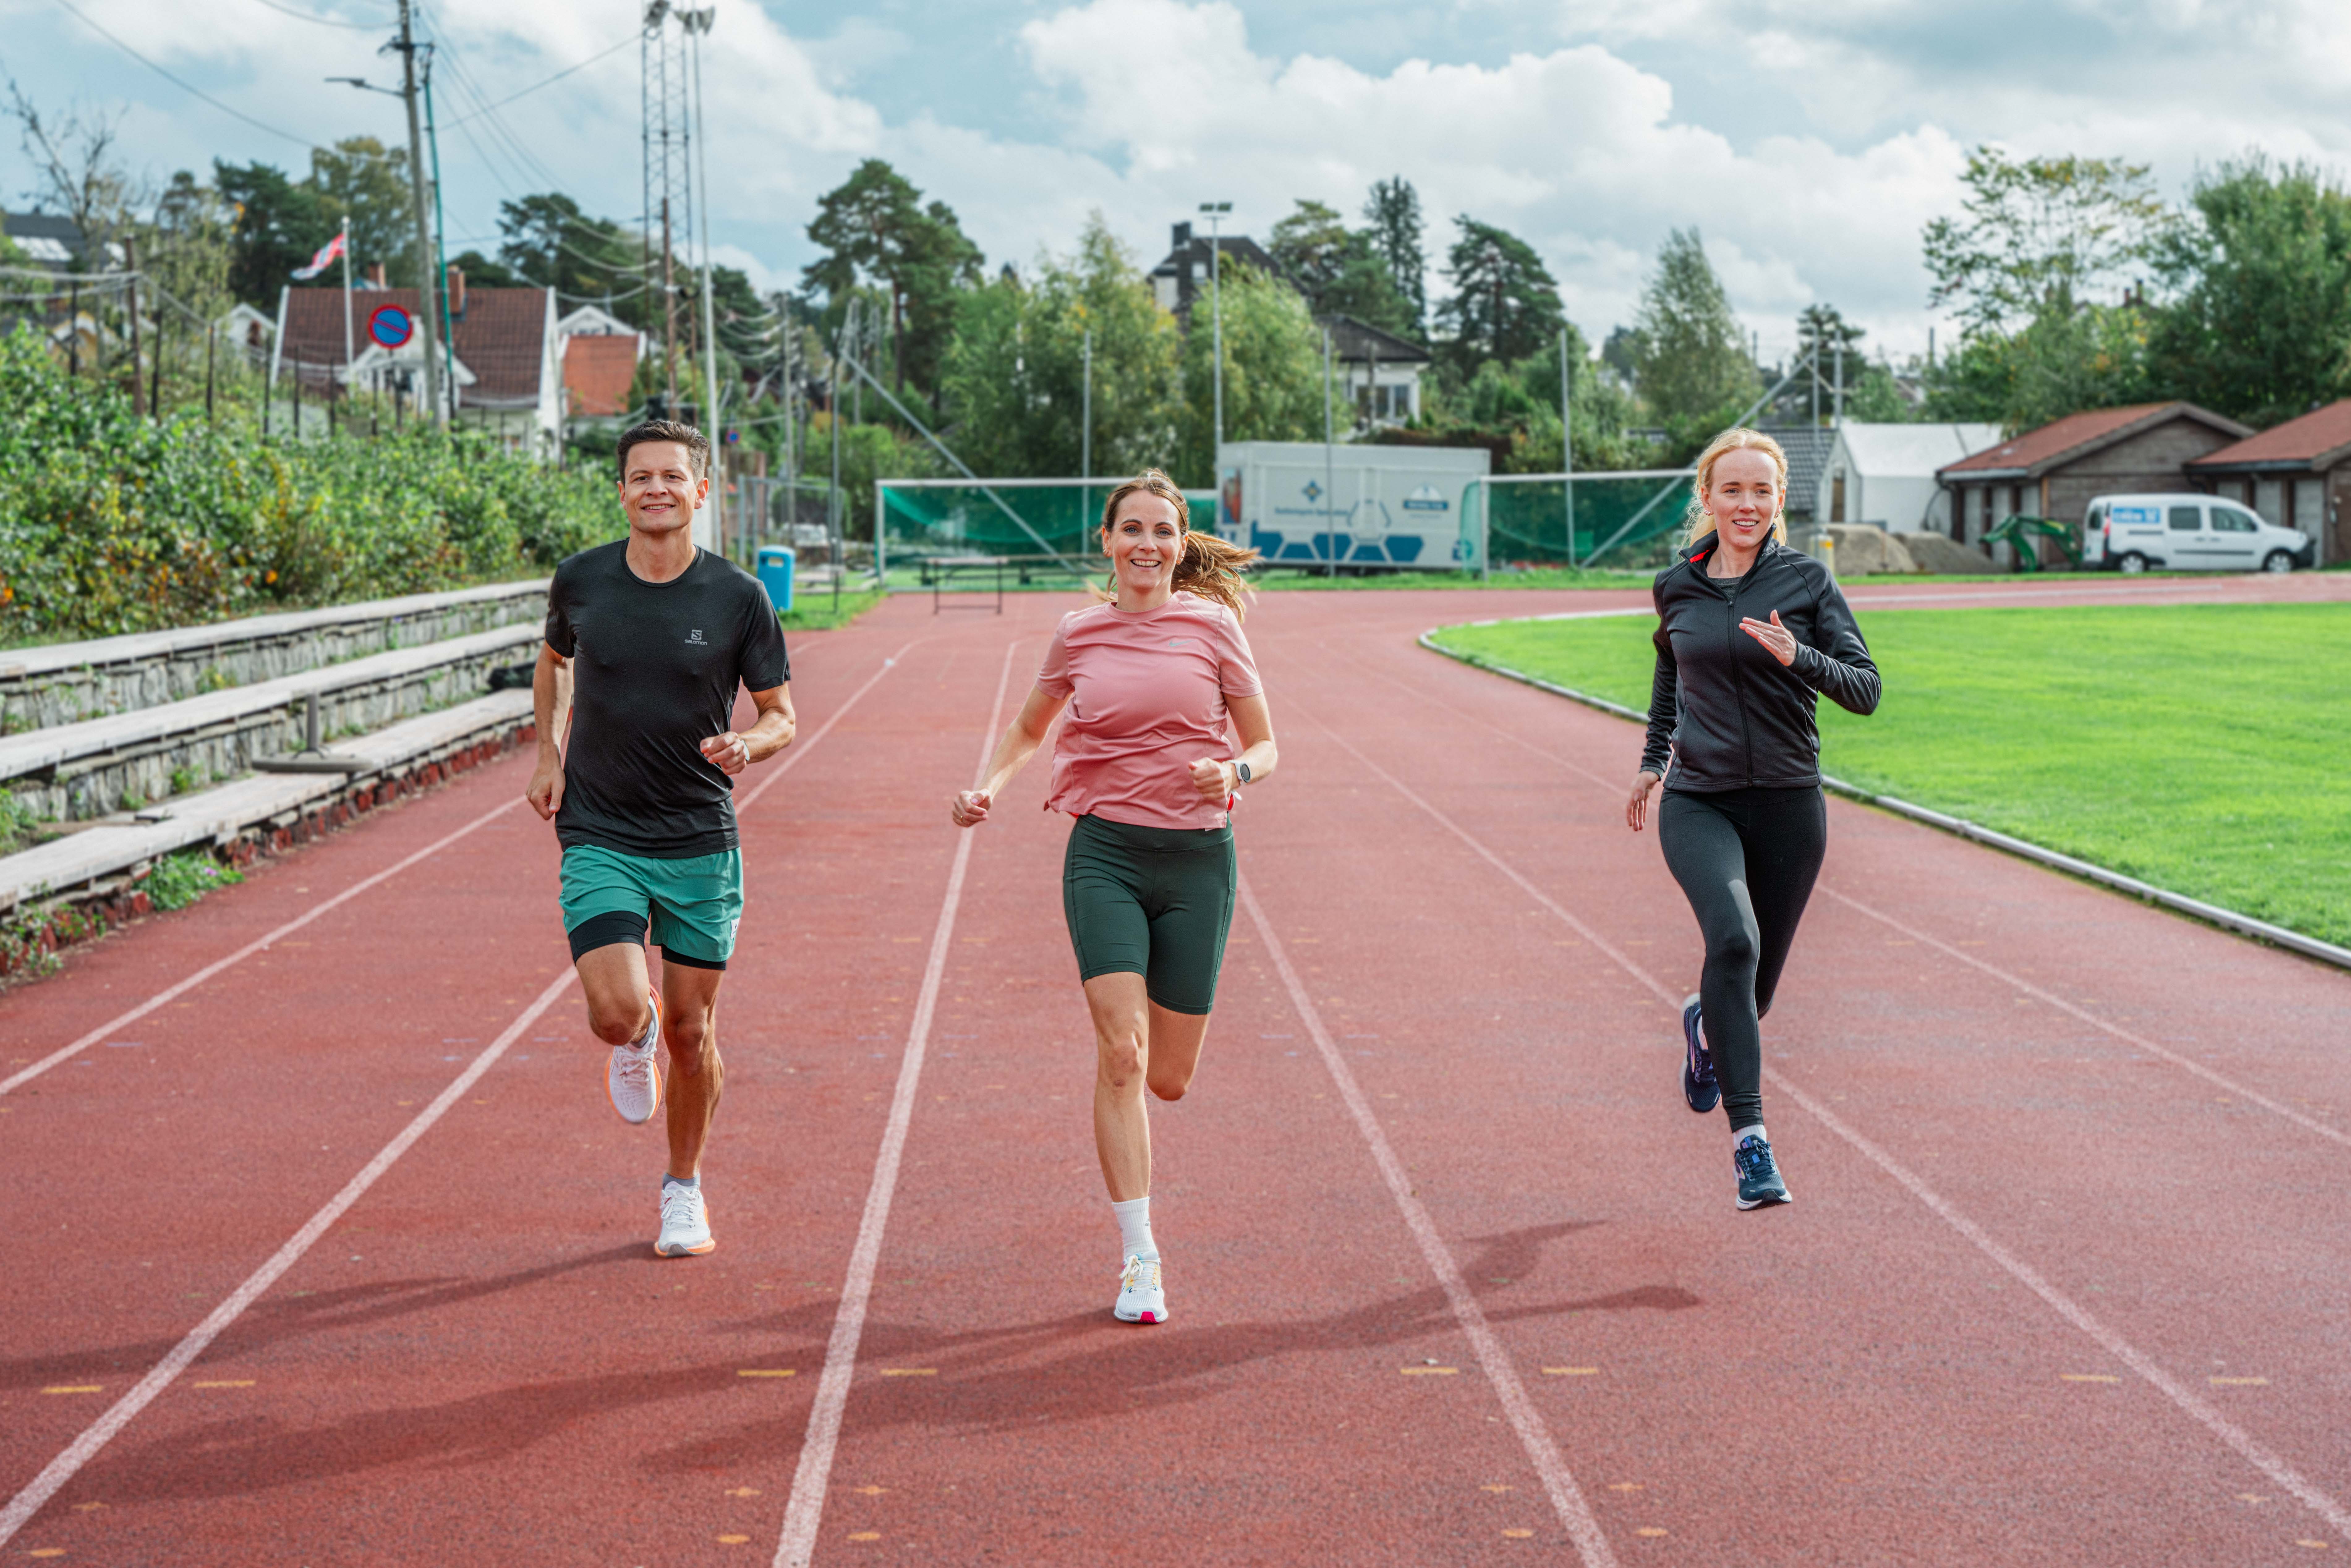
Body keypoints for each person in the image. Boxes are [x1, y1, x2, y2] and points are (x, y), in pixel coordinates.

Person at [950, 470, 1276, 1324]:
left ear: (1178, 543)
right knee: (1122, 1052)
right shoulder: (1078, 633)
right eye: (1130, 529)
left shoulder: (1213, 628)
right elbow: (1029, 727)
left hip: (1199, 862)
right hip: (1105, 854)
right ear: (1106, 541)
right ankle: (1140, 1257)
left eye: (1162, 531)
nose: (1146, 545)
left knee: (1167, 1077)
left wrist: (1232, 771)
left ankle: (1138, 1206)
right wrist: (987, 785)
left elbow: (1268, 744)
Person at [526, 418, 794, 1257]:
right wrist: (546, 751)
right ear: (621, 490)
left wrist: (750, 742)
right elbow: (553, 662)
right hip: (599, 825)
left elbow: (782, 713)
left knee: (693, 1030)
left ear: (700, 491)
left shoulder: (738, 597)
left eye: (673, 477)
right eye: (641, 476)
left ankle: (684, 1189)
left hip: (697, 835)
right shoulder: (581, 581)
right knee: (616, 1012)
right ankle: (631, 1037)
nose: (656, 489)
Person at [1624, 427, 1879, 1210]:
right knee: (1731, 940)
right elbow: (1670, 673)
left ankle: (1704, 1024)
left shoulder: (1807, 582)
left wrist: (1796, 657)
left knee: (1750, 995)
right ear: (1706, 498)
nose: (1747, 504)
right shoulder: (1678, 586)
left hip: (1788, 804)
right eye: (1731, 490)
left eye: (1761, 491)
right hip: (1697, 801)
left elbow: (1865, 689)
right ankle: (1751, 1145)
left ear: (1778, 502)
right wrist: (1650, 760)